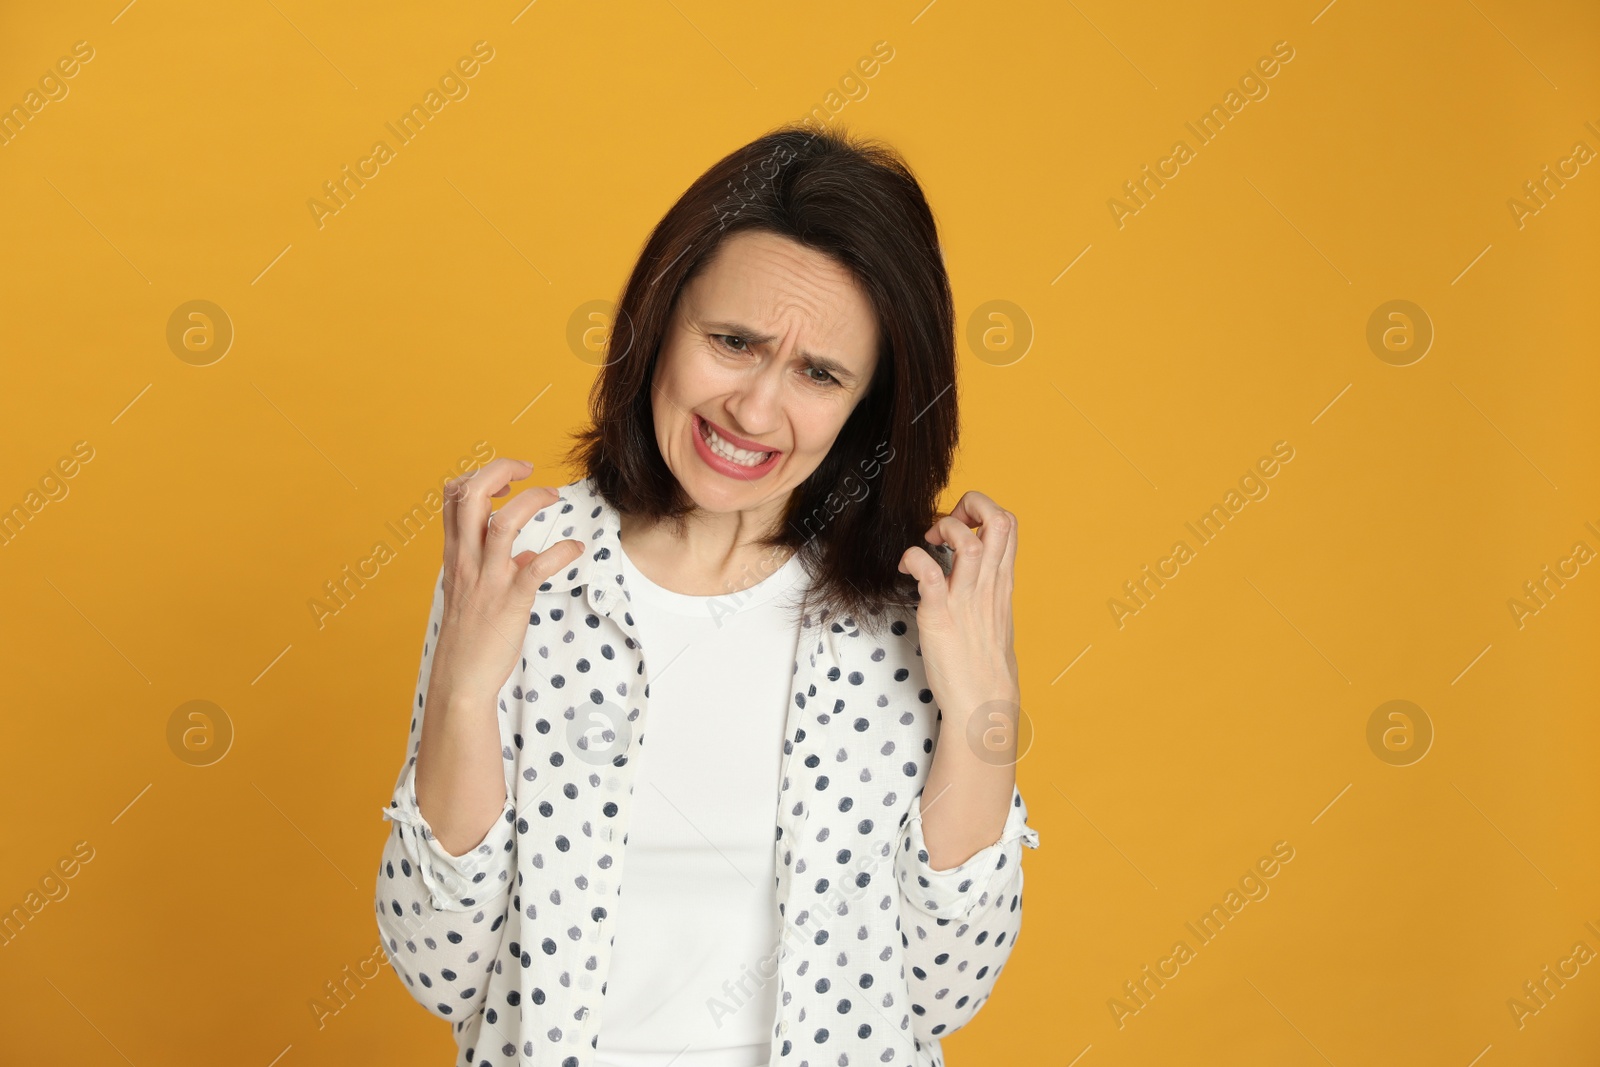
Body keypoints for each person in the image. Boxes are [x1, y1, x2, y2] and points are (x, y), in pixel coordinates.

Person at [374, 122, 1041, 1067]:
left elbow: (944, 988)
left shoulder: (924, 605)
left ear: (869, 403)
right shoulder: (521, 564)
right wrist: (465, 693)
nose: (756, 409)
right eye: (733, 341)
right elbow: (437, 969)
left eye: (819, 373)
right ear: (660, 320)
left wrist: (986, 708)